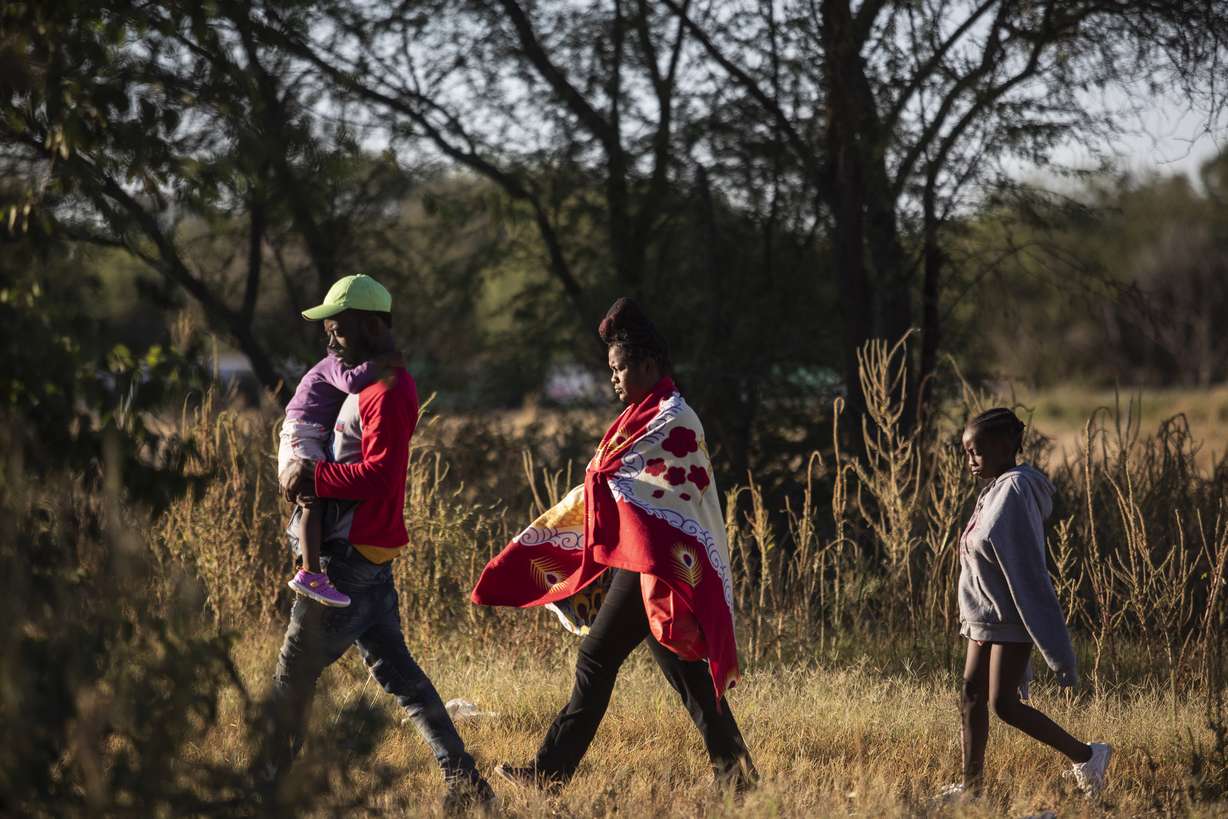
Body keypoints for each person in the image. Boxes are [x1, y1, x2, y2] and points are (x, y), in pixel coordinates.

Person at [471, 297, 756, 793]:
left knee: (602, 659)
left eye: (620, 368)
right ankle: (737, 778)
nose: (614, 378)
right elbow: (616, 480)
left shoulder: (674, 418)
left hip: (664, 564)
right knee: (683, 672)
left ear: (648, 364)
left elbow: (641, 486)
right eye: (611, 370)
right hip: (643, 560)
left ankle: (550, 773)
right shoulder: (639, 415)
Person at [258, 274, 493, 813]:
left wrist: (313, 477)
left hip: (350, 557)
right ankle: (466, 783)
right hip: (367, 556)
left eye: (338, 327)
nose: (331, 336)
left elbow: (382, 475)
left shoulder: (387, 391)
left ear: (372, 325)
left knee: (293, 675)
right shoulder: (367, 383)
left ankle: (266, 792)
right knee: (402, 677)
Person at [941, 407, 1111, 801]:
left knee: (1004, 705)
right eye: (966, 452)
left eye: (977, 451)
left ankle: (1087, 755)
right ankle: (973, 788)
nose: (970, 461)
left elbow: (1028, 571)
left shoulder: (1016, 490)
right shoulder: (996, 488)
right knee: (970, 693)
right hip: (984, 618)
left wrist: (1057, 651)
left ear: (1005, 446)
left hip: (1010, 618)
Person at [278, 345, 402, 607]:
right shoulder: (332, 364)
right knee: (313, 498)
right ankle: (310, 573)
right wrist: (380, 362)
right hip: (303, 433)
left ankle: (310, 567)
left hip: (311, 433)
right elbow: (351, 381)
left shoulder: (338, 363)